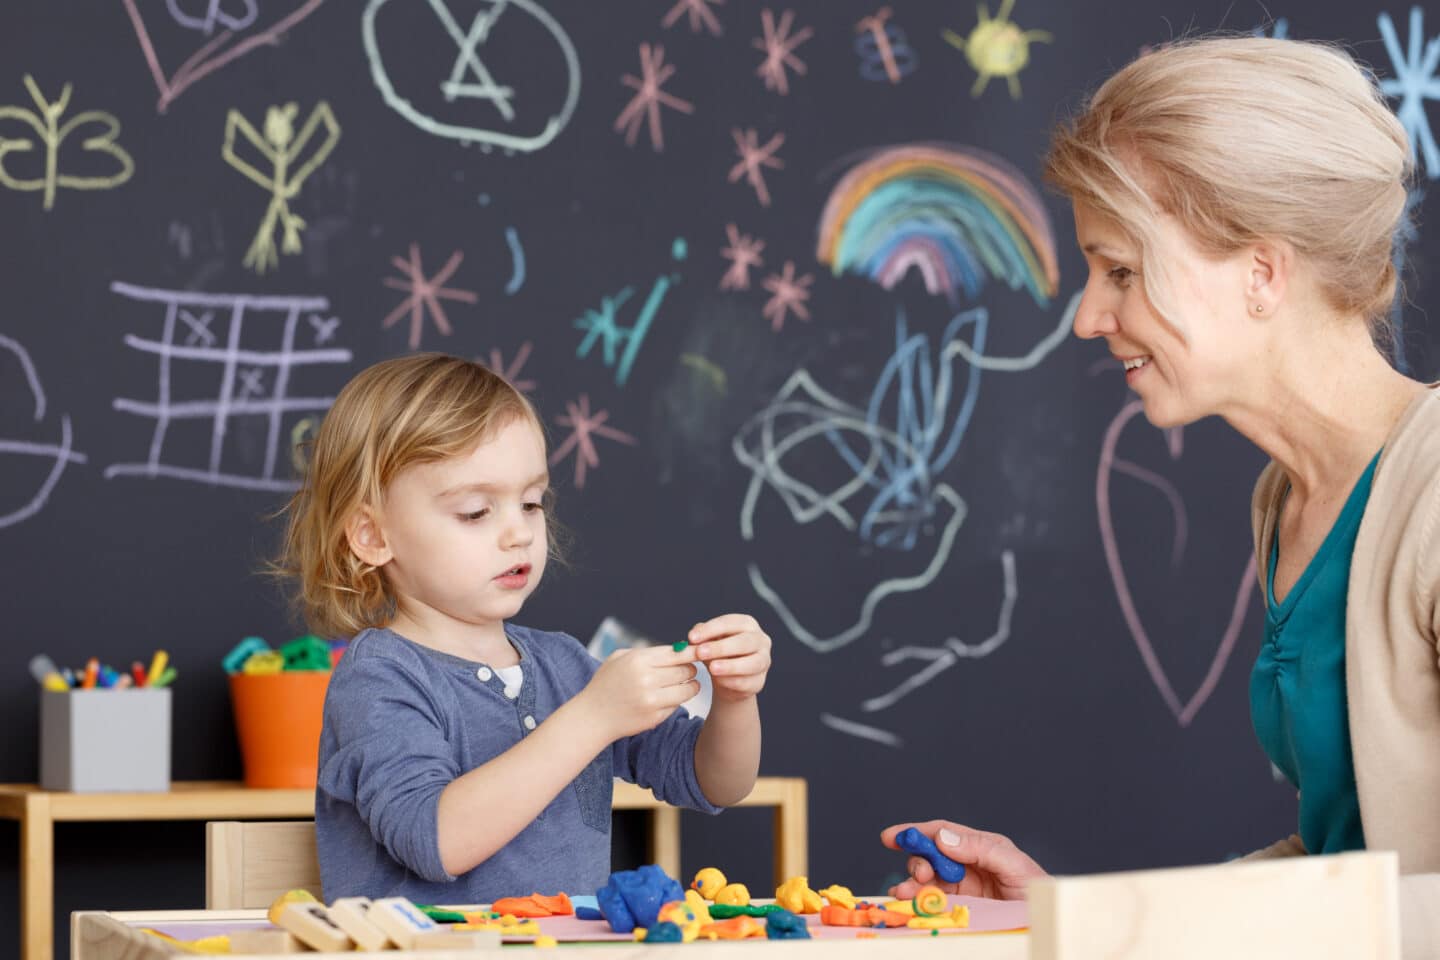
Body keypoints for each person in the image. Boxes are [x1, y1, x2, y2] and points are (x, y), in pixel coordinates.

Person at [883, 36, 1440, 954]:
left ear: (1263, 273)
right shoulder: (1287, 504)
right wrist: (1064, 918)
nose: (1088, 316)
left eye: (1123, 271)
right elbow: (1356, 857)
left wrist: (1108, 932)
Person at [273, 353, 771, 902]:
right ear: (371, 536)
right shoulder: (380, 678)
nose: (519, 533)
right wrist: (593, 717)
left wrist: (733, 698)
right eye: (474, 512)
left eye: (531, 503)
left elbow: (715, 782)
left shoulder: (565, 666)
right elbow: (435, 842)